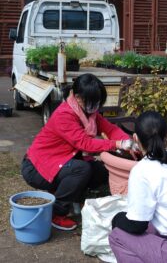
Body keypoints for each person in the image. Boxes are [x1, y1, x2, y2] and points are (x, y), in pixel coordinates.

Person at [21, 73, 132, 231]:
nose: (96, 106)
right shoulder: (64, 115)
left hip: (60, 162)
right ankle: (56, 213)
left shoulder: (89, 114)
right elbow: (85, 144)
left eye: (99, 102)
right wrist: (117, 144)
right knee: (82, 169)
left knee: (100, 171)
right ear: (77, 97)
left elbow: (110, 129)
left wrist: (129, 143)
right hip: (37, 168)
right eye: (93, 102)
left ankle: (73, 195)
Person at [109, 111, 167, 263]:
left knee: (118, 236)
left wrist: (117, 219)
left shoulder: (142, 170)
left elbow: (136, 225)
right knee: (152, 225)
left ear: (135, 138)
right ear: (166, 137)